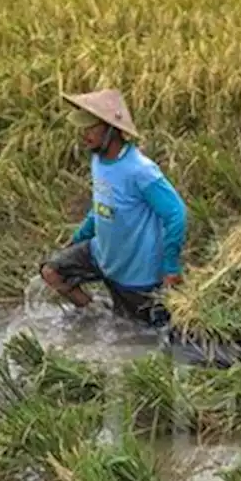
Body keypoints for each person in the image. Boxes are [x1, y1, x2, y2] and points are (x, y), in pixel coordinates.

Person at [40, 89, 187, 330]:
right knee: (52, 271)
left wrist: (171, 267)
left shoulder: (140, 170)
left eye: (91, 128)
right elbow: (101, 204)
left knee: (143, 333)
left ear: (110, 129)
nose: (84, 135)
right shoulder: (98, 159)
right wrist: (79, 237)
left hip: (137, 272)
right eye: (83, 128)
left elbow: (176, 214)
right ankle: (94, 316)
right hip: (102, 255)